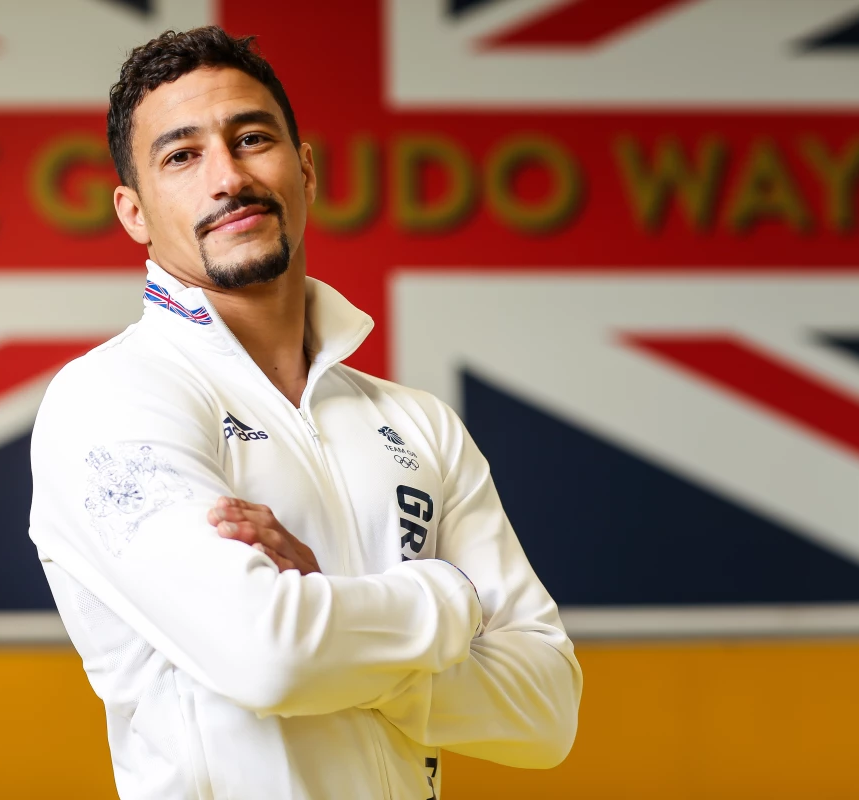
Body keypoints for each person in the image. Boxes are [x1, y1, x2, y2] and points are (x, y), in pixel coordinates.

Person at [28, 25, 582, 800]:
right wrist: (449, 596)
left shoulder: (419, 423)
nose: (227, 176)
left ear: (305, 168)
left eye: (251, 138)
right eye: (182, 156)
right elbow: (270, 653)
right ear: (134, 213)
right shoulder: (110, 399)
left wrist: (344, 623)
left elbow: (547, 710)